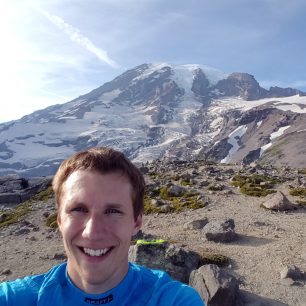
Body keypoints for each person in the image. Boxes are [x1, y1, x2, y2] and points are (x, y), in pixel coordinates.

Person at [0, 147, 205, 305]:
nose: (92, 232)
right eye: (79, 209)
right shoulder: (14, 299)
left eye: (112, 211)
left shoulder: (174, 300)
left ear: (137, 222)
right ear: (60, 220)